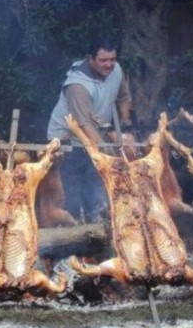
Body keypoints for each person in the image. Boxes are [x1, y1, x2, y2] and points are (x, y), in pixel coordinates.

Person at [47, 37, 132, 223]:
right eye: (103, 60)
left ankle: (98, 225)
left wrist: (125, 125)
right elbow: (84, 124)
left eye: (112, 59)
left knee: (95, 183)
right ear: (90, 58)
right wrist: (106, 149)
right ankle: (73, 234)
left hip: (95, 136)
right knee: (72, 191)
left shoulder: (116, 70)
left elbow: (124, 98)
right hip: (66, 140)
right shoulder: (78, 86)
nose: (109, 65)